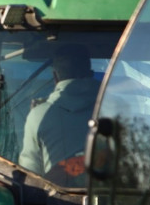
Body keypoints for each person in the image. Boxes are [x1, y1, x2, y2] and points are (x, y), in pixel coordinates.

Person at [18, 44, 100, 182]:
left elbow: (30, 175)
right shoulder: (119, 109)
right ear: (91, 74)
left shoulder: (39, 115)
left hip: (57, 201)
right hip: (117, 200)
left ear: (55, 76)